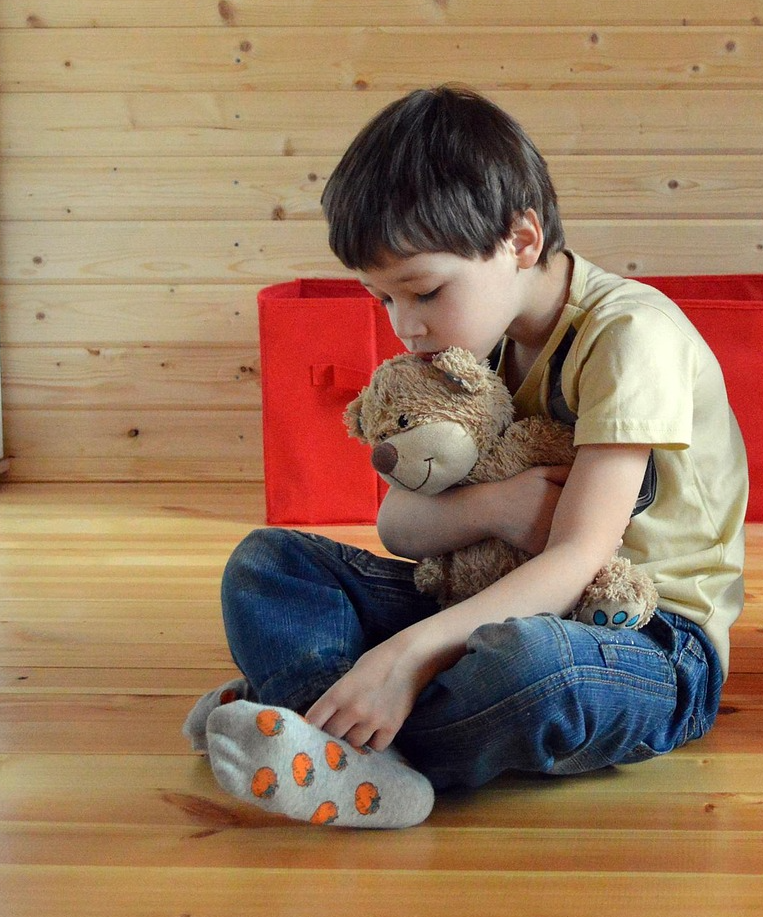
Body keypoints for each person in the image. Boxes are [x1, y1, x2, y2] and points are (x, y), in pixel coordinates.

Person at [183, 85, 748, 828]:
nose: (404, 327)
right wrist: (493, 509)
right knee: (269, 564)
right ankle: (338, 723)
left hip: (645, 640)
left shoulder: (631, 337)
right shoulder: (480, 343)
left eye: (422, 291)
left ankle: (323, 719)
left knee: (531, 670)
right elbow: (398, 526)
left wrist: (406, 655)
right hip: (492, 598)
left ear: (521, 240)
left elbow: (579, 556)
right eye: (383, 300)